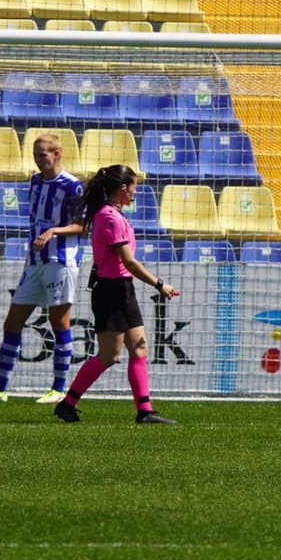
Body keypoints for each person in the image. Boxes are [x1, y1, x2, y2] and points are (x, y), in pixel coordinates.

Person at [53, 165, 181, 424]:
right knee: (109, 355)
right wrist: (159, 284)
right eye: (133, 187)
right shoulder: (109, 217)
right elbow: (129, 262)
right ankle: (67, 404)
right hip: (111, 291)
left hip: (123, 289)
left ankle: (144, 411)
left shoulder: (113, 214)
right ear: (123, 188)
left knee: (139, 348)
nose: (135, 192)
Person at [0, 133, 86, 403]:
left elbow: (83, 225)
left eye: (43, 154)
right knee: (12, 322)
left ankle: (59, 389)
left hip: (60, 260)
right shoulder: (35, 180)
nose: (38, 159)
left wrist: (53, 231)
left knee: (58, 321)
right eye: (36, 155)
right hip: (35, 261)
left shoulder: (73, 186)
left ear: (57, 154)